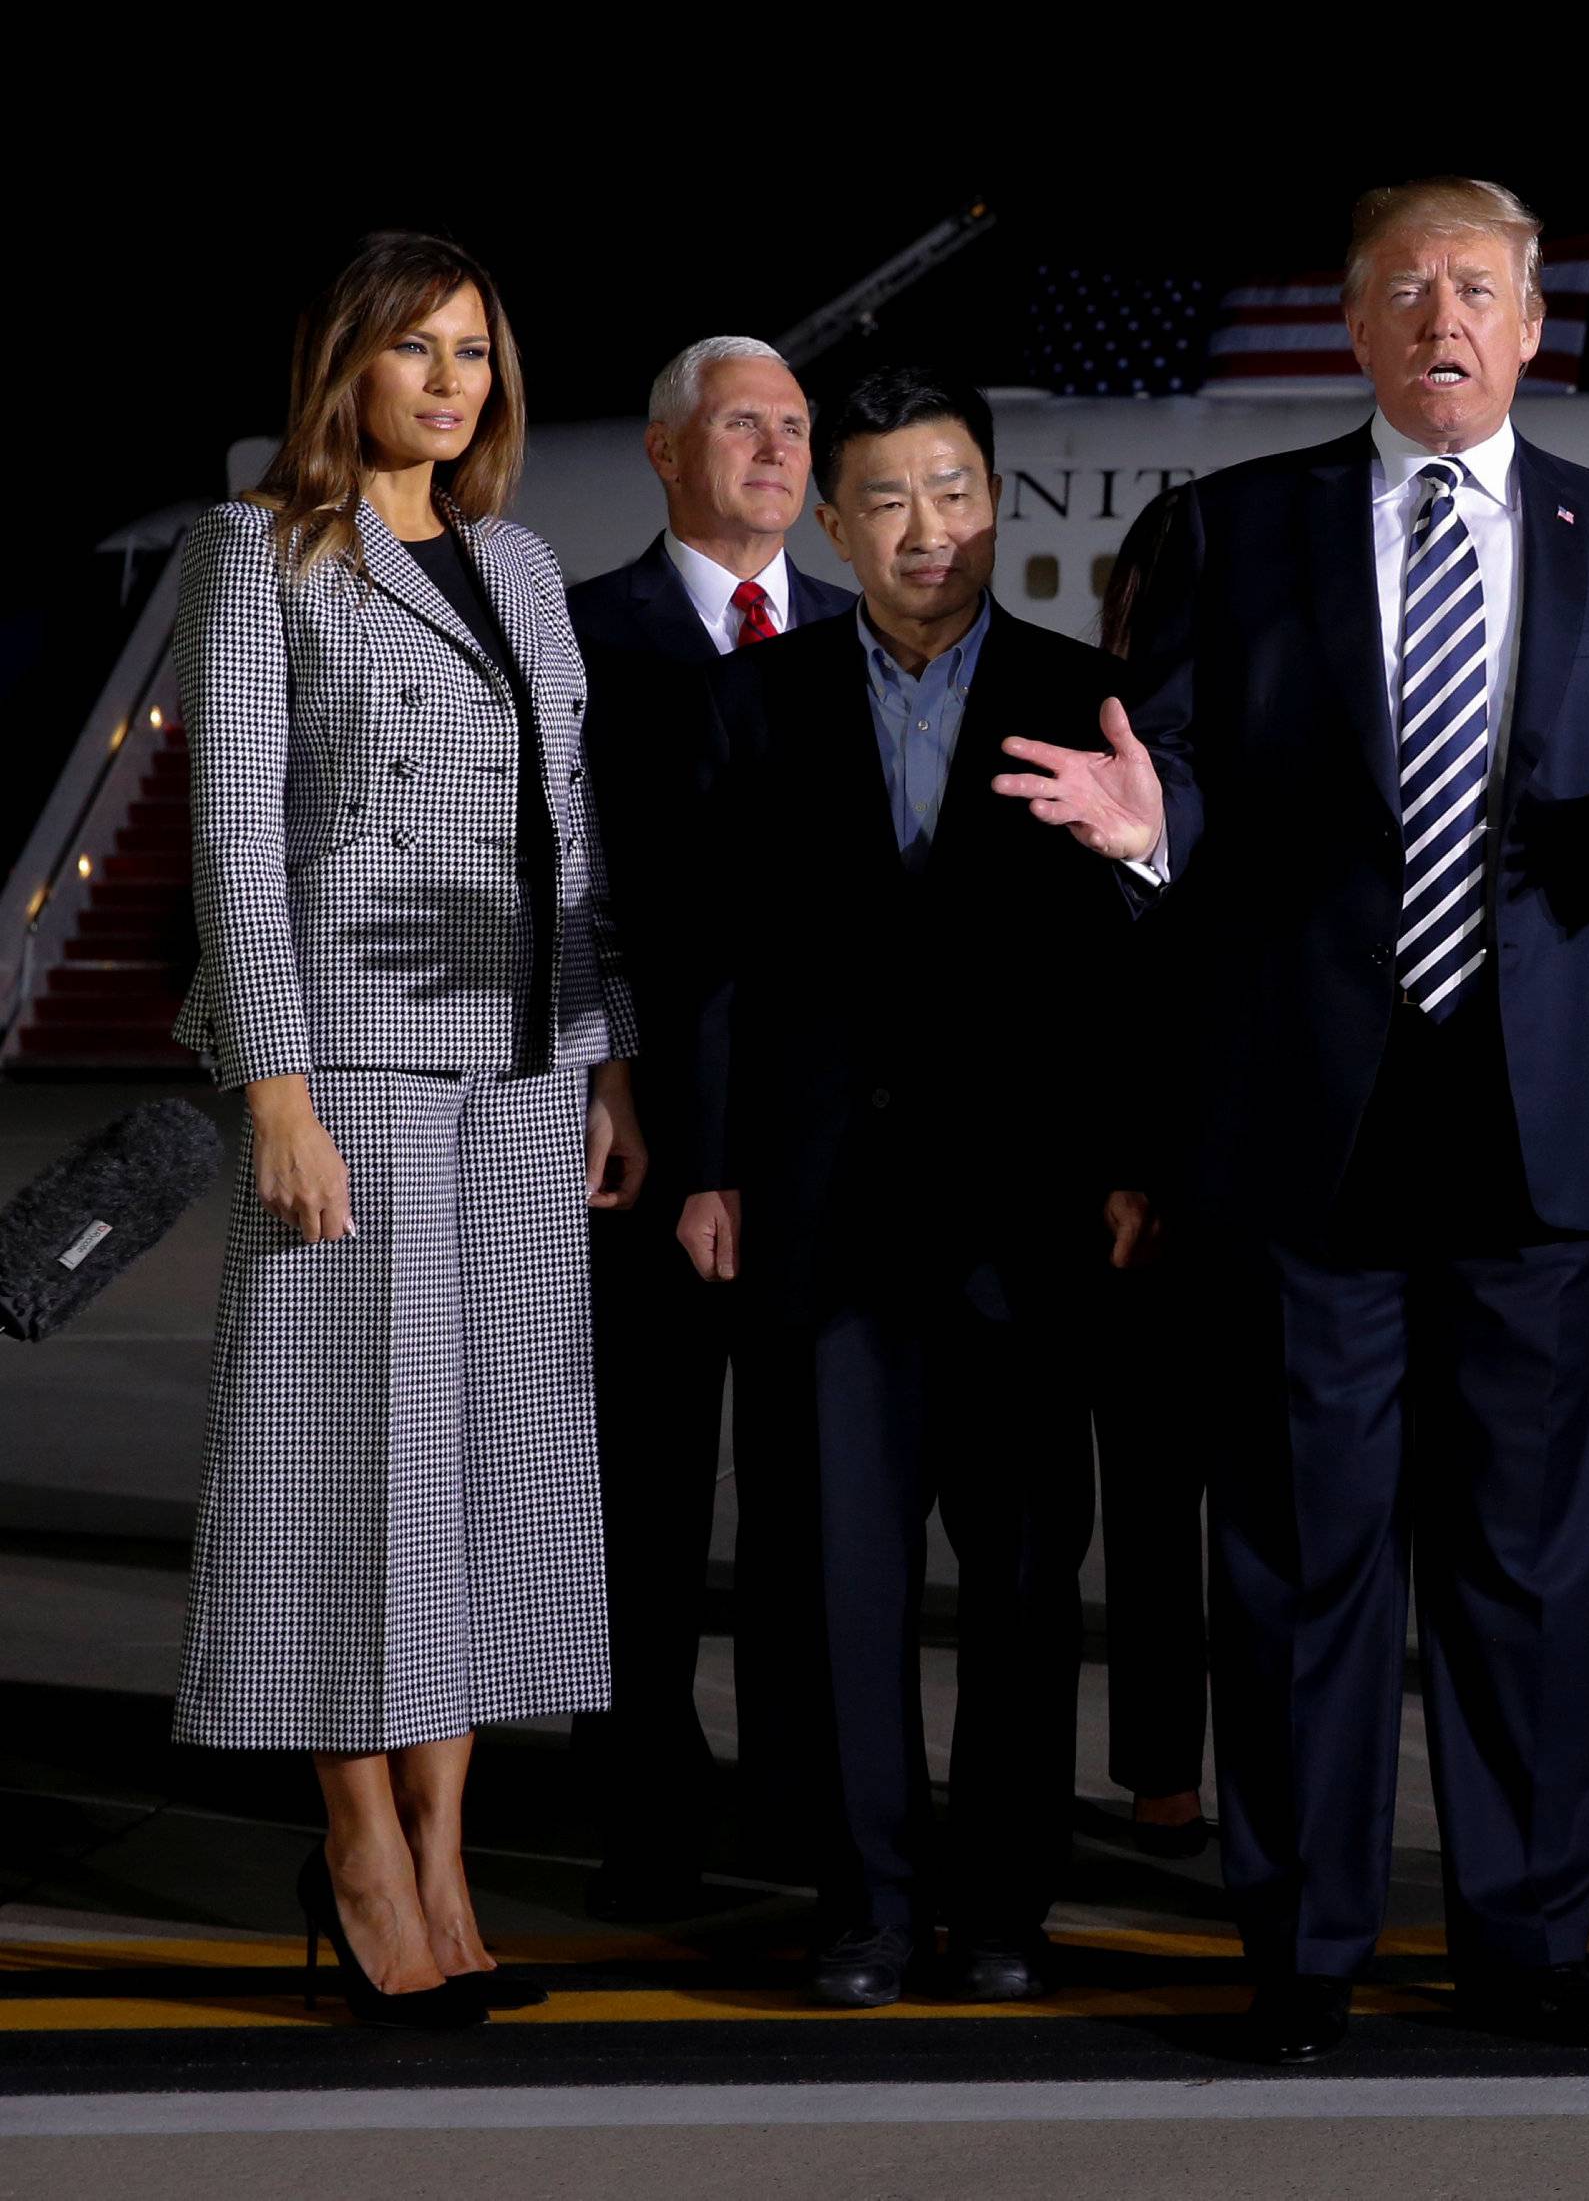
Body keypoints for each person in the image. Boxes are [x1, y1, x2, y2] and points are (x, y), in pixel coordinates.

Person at [990, 177, 1589, 2061]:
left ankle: (1525, 1937)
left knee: (1529, 1560)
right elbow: (1175, 770)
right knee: (1299, 1559)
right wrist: (1151, 831)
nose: (1445, 317)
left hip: (1541, 1123)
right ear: (1356, 328)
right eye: (1409, 288)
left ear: (1532, 329)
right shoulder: (1232, 529)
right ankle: (1303, 1946)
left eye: (1482, 288)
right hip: (1308, 1124)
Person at [170, 230, 645, 2028]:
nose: (450, 382)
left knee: (482, 1479)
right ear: (345, 368)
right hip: (355, 1080)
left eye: (472, 353)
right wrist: (276, 1089)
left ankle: (453, 1862)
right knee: (347, 1478)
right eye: (415, 351)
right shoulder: (266, 550)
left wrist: (605, 1056)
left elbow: (568, 832)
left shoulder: (524, 566)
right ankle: (362, 1855)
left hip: (523, 1082)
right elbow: (233, 833)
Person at [676, 367, 1134, 2007]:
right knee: (843, 1586)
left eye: (952, 490)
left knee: (1023, 1582)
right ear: (828, 519)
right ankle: (866, 1905)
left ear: (996, 499)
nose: (925, 528)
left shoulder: (1092, 700)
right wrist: (715, 1165)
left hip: (1027, 1220)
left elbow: (1138, 964)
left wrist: (1134, 1161)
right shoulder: (758, 702)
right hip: (831, 1217)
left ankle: (1005, 1906)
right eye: (884, 497)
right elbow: (716, 966)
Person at [567, 338, 853, 1908]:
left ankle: (803, 1801)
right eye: (741, 423)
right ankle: (643, 1802)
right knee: (650, 1489)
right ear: (668, 453)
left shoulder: (852, 629)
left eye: (796, 428)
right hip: (642, 1134)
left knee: (811, 1489)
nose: (776, 449)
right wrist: (613, 1075)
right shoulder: (580, 635)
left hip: (815, 1142)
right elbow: (570, 882)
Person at [1088, 496, 1210, 1859]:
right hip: (1142, 1186)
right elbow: (1087, 993)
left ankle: (1176, 1772)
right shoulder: (1102, 741)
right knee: (1160, 1495)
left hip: (1249, 1170)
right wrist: (1127, 1167)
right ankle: (1164, 1774)